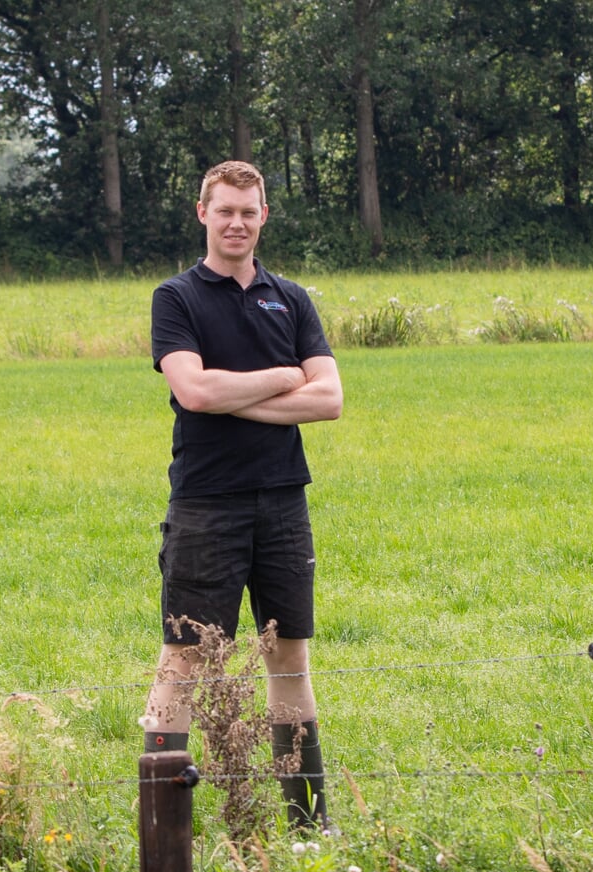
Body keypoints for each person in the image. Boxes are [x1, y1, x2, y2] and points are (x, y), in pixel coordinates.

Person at [142, 159, 342, 830]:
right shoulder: (177, 298)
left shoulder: (292, 298)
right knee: (186, 661)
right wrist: (284, 378)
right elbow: (192, 391)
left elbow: (331, 400)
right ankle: (163, 827)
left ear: (264, 218)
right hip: (205, 506)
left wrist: (231, 396)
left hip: (284, 503)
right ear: (203, 213)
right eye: (224, 210)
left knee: (289, 659)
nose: (236, 222)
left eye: (248, 212)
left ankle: (309, 828)